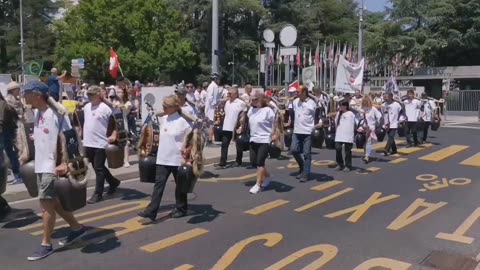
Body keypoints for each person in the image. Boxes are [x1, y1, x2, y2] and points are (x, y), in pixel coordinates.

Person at [23, 81, 85, 261]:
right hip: (41, 164)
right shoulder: (36, 112)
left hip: (52, 166)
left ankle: (46, 244)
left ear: (37, 94)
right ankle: (76, 228)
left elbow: (70, 139)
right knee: (53, 202)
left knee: (46, 205)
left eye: (26, 93)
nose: (23, 96)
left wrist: (66, 163)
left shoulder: (57, 114)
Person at [138, 95, 193, 221]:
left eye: (166, 106)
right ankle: (151, 211)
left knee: (180, 186)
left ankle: (181, 208)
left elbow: (190, 139)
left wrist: (186, 151)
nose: (163, 108)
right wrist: (166, 109)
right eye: (163, 106)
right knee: (158, 185)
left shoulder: (182, 122)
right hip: (162, 158)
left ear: (174, 107)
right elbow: (157, 113)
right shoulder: (164, 118)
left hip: (176, 159)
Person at [83, 86, 121, 204]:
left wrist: (114, 135)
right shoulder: (86, 107)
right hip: (88, 142)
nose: (89, 97)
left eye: (92, 95)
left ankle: (98, 194)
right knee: (95, 166)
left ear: (98, 95)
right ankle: (113, 181)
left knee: (99, 168)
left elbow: (116, 123)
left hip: (101, 142)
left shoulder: (106, 108)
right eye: (88, 95)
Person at [245, 91, 276, 194]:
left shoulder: (268, 110)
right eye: (251, 99)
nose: (253, 101)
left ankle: (258, 184)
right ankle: (268, 176)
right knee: (254, 162)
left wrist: (275, 134)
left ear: (261, 99)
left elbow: (275, 123)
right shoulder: (251, 110)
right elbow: (249, 123)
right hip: (253, 139)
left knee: (260, 163)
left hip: (264, 139)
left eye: (255, 99)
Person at [290, 85, 323, 182]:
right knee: (294, 150)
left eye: (298, 92)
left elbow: (319, 113)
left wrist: (319, 122)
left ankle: (306, 174)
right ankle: (302, 166)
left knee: (307, 153)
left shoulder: (312, 103)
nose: (296, 93)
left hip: (308, 132)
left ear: (304, 92)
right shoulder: (295, 102)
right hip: (297, 131)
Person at [216, 86, 246, 168]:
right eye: (228, 93)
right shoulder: (227, 102)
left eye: (230, 93)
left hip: (236, 127)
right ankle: (223, 162)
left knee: (238, 145)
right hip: (227, 126)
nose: (228, 94)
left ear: (236, 94)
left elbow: (244, 115)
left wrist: (241, 126)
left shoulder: (241, 103)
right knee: (224, 144)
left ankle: (238, 160)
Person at [3, 81, 22, 184]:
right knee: (12, 152)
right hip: (10, 129)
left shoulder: (16, 99)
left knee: (16, 152)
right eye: (17, 89)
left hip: (15, 128)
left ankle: (19, 174)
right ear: (13, 90)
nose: (19, 91)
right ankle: (17, 174)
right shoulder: (8, 100)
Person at [334, 101, 357, 172]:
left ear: (346, 106)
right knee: (338, 148)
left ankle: (348, 165)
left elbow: (356, 122)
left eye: (342, 105)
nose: (340, 107)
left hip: (348, 135)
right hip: (339, 134)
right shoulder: (338, 113)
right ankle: (340, 164)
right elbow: (335, 123)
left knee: (347, 151)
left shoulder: (351, 114)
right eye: (340, 105)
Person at [358, 96, 382, 163]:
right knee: (363, 142)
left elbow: (379, 116)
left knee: (368, 142)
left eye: (366, 101)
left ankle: (367, 156)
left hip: (371, 127)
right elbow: (358, 117)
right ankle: (366, 154)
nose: (365, 102)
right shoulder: (361, 108)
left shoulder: (373, 108)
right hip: (362, 127)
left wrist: (377, 125)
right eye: (364, 101)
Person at [113, 87, 133, 168]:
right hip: (114, 124)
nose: (118, 93)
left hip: (123, 124)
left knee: (126, 142)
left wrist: (117, 105)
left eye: (120, 92)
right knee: (116, 142)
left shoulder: (128, 102)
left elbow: (125, 108)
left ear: (124, 93)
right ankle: (118, 160)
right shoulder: (114, 101)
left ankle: (126, 160)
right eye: (117, 92)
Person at [205, 73, 220, 143]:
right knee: (211, 124)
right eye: (218, 79)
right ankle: (209, 140)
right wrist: (215, 104)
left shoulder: (214, 86)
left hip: (212, 108)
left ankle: (210, 139)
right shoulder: (212, 86)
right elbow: (210, 98)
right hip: (211, 108)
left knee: (211, 124)